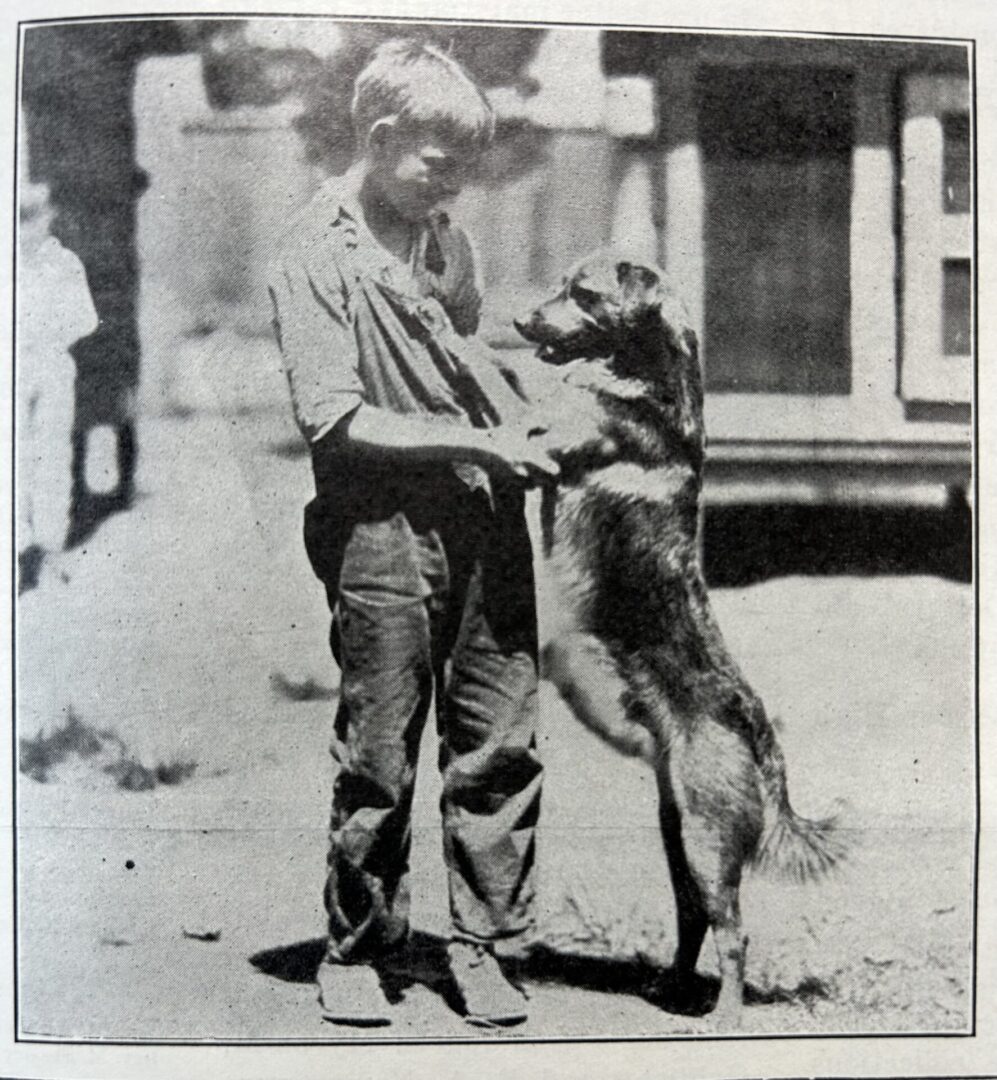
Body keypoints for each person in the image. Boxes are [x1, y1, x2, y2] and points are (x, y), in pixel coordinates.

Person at [268, 39, 558, 1028]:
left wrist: (526, 423)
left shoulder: (444, 238)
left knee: (498, 739)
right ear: (381, 137)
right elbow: (338, 418)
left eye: (465, 170)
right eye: (438, 164)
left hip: (485, 511)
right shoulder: (315, 252)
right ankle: (359, 947)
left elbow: (463, 346)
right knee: (380, 753)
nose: (453, 188)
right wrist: (465, 440)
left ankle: (481, 945)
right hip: (378, 524)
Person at [17, 179, 98, 594]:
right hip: (13, 365)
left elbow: (84, 318)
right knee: (15, 456)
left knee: (52, 456)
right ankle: (19, 548)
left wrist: (50, 332)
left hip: (50, 362)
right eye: (23, 219)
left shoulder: (63, 262)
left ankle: (50, 549)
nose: (32, 227)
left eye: (37, 217)